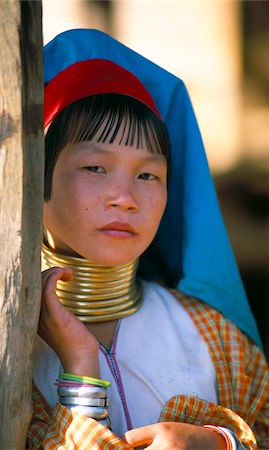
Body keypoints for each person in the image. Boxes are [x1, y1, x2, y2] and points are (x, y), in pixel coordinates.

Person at [27, 29, 269, 449]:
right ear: (35, 180)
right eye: (95, 168)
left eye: (147, 175)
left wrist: (218, 442)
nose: (125, 198)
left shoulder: (213, 334)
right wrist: (80, 369)